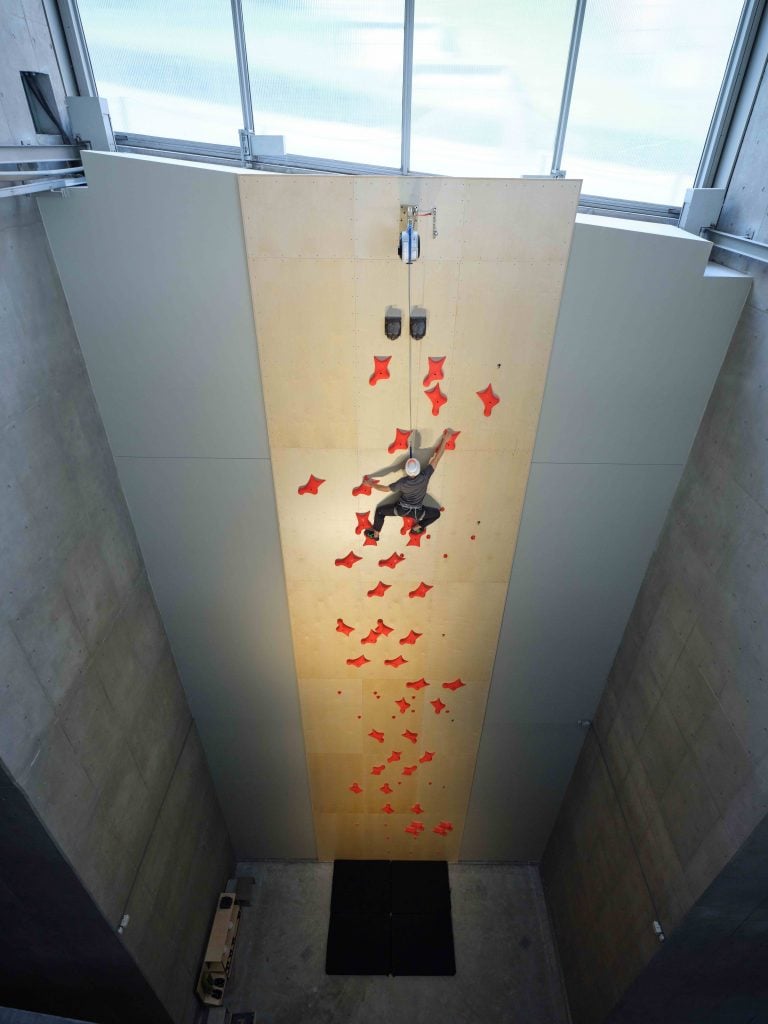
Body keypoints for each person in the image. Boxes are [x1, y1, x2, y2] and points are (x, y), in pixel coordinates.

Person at [364, 431, 450, 540]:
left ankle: (376, 533)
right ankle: (418, 527)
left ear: (407, 470)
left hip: (401, 509)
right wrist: (445, 440)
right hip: (417, 513)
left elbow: (385, 489)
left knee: (380, 511)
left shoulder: (402, 483)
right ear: (418, 468)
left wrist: (370, 484)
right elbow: (436, 458)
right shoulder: (425, 476)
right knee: (436, 514)